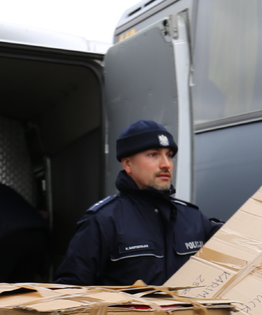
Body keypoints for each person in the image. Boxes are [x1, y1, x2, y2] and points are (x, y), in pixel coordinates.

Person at [54, 119, 220, 286]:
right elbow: (70, 290)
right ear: (127, 164)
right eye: (153, 155)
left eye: (169, 155)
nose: (166, 164)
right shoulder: (103, 221)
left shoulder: (193, 218)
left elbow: (238, 246)